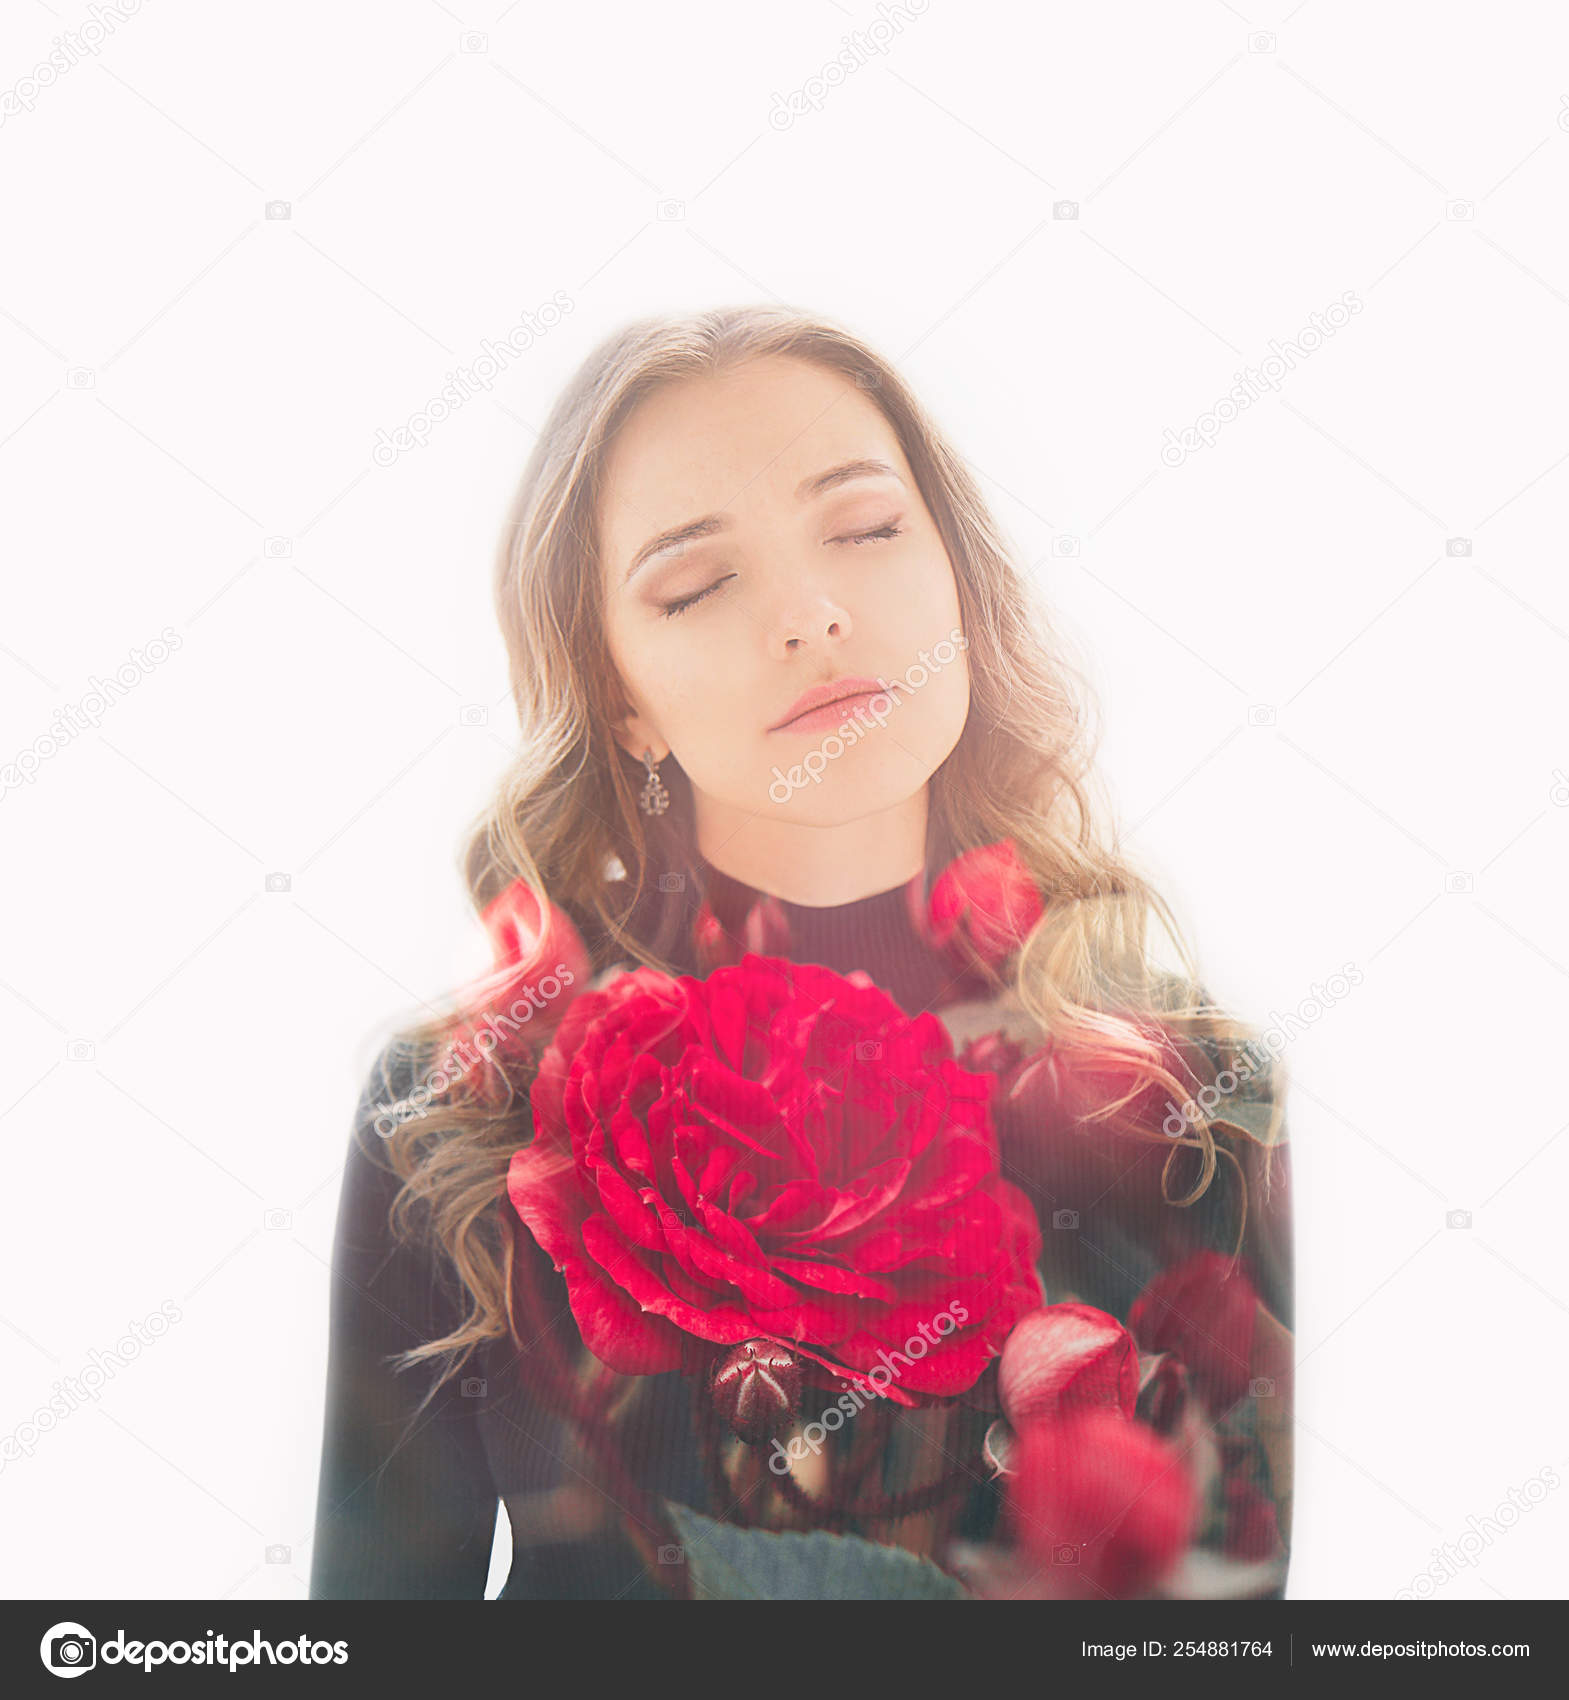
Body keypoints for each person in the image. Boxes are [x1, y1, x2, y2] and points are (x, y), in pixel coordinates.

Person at [309, 306, 1292, 1601]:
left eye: (867, 528)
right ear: (617, 696)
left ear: (959, 581)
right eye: (695, 584)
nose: (811, 615)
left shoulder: (1187, 1095)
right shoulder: (459, 1108)